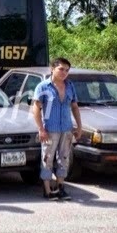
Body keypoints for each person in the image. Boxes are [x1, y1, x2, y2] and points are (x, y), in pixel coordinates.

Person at [32, 57, 82, 201]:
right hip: (50, 129)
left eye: (67, 70)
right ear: (52, 69)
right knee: (47, 158)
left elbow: (74, 107)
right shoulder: (43, 87)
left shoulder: (70, 86)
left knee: (64, 158)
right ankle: (47, 189)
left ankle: (61, 188)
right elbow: (36, 109)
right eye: (61, 69)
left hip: (66, 129)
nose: (64, 73)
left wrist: (79, 126)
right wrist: (41, 129)